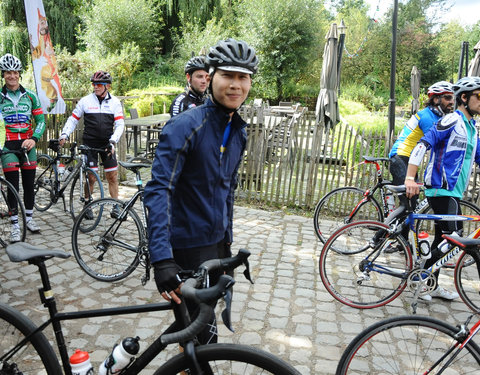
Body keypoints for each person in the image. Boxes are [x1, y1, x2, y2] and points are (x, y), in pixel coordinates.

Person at [145, 38, 258, 344]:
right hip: (184, 250)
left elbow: (228, 188)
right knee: (204, 339)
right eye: (228, 76)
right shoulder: (184, 126)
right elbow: (158, 191)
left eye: (243, 77)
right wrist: (162, 258)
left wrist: (227, 238)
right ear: (210, 77)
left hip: (216, 246)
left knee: (196, 331)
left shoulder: (239, 130)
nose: (236, 85)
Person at [405, 76, 480, 301]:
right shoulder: (451, 120)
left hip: (455, 193)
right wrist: (410, 176)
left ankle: (431, 283)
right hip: (442, 189)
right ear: (464, 98)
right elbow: (423, 143)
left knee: (442, 240)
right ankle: (420, 277)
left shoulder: (472, 128)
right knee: (453, 237)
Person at [386, 81, 454, 250]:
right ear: (435, 100)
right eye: (447, 98)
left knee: (412, 206)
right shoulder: (427, 117)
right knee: (407, 204)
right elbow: (438, 142)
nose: (451, 101)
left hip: (408, 160)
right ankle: (379, 237)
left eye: (452, 97)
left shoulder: (435, 116)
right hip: (400, 157)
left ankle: (401, 243)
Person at [59, 70, 124, 216]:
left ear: (107, 86)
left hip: (107, 143)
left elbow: (120, 125)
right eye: (94, 84)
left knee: (112, 175)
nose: (95, 87)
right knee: (91, 177)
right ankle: (87, 204)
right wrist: (65, 134)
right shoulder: (86, 101)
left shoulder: (115, 102)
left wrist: (113, 141)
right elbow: (73, 119)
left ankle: (116, 206)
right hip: (90, 144)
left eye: (99, 84)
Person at [0, 53, 46, 242]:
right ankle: (15, 226)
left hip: (28, 144)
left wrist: (34, 139)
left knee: (29, 184)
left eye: (14, 72)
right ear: (3, 75)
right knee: (12, 186)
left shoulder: (31, 96)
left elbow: (41, 120)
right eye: (7, 73)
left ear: (19, 73)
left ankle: (28, 219)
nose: (11, 76)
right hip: (8, 145)